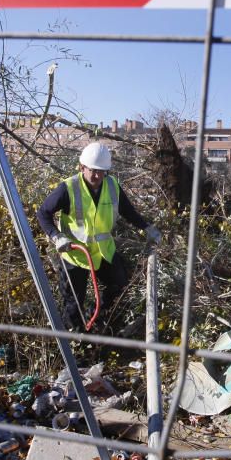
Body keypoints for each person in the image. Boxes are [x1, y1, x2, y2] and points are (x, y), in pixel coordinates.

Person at [36, 142, 161, 332]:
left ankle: (94, 318)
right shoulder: (68, 188)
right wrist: (57, 236)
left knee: (119, 285)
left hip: (104, 252)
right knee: (72, 302)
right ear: (82, 167)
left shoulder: (112, 186)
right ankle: (75, 341)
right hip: (75, 255)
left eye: (101, 171)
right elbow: (43, 213)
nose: (97, 176)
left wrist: (147, 228)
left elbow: (129, 211)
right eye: (93, 171)